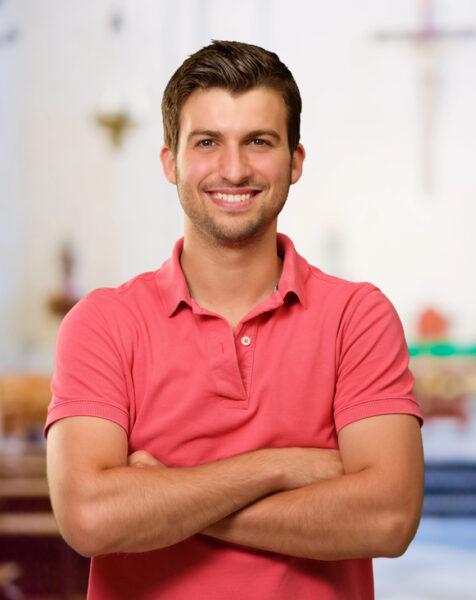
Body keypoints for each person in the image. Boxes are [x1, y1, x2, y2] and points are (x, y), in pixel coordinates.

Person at [45, 40, 424, 600]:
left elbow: (387, 519)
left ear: (295, 161)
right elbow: (89, 519)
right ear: (170, 161)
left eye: (259, 141)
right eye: (207, 142)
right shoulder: (101, 323)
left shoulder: (357, 316)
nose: (233, 169)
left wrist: (165, 502)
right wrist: (277, 468)